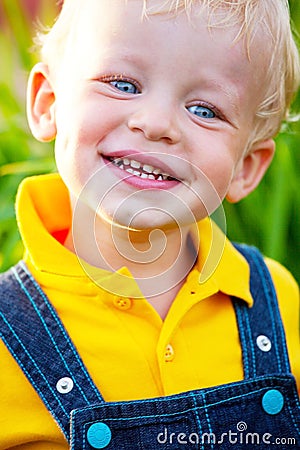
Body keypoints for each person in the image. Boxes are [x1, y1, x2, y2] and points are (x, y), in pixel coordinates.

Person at [0, 0, 299, 448]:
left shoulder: (276, 299)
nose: (157, 124)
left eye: (204, 110)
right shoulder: (8, 336)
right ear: (49, 103)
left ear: (246, 167)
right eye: (122, 84)